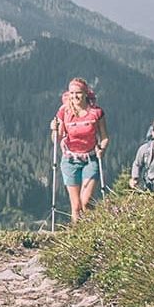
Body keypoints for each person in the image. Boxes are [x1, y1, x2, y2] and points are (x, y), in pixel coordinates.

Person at [50, 78, 109, 222]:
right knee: (76, 206)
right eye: (72, 93)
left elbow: (105, 137)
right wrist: (54, 129)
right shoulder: (64, 112)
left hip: (90, 158)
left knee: (86, 201)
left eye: (78, 93)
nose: (75, 96)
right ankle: (78, 237)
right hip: (70, 160)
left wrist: (102, 148)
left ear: (85, 93)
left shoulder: (96, 112)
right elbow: (56, 139)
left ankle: (93, 228)